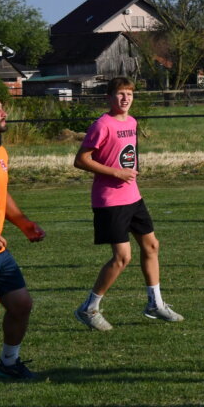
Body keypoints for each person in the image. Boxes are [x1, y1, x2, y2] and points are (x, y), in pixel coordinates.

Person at [74, 77, 183, 331]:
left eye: (130, 94)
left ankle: (155, 304)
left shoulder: (132, 122)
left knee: (152, 245)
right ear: (109, 97)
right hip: (109, 200)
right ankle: (89, 308)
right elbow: (80, 160)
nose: (126, 98)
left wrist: (129, 172)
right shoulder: (102, 125)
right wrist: (116, 172)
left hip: (133, 196)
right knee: (122, 257)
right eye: (120, 94)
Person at [0, 93, 46, 398]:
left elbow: (0, 193)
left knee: (21, 305)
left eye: (2, 109)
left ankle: (8, 363)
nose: (3, 113)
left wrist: (23, 223)